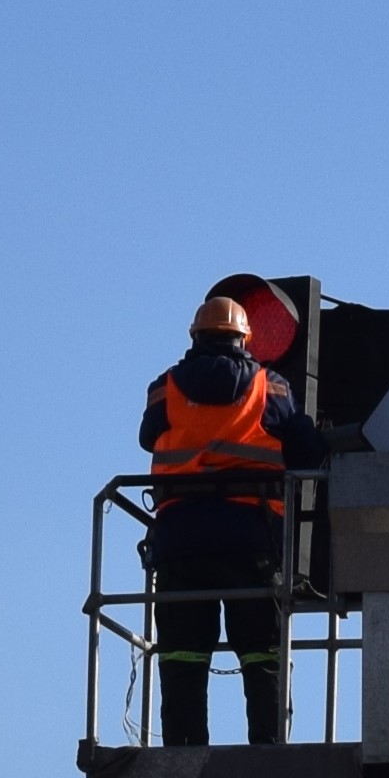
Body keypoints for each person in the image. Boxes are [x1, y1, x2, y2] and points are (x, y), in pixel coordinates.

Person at [139, 287, 319, 749]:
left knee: (183, 652)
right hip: (252, 539)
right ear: (245, 340)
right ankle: (268, 748)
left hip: (181, 543)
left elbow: (147, 437)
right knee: (263, 652)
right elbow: (303, 447)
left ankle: (182, 749)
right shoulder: (271, 387)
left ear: (195, 336)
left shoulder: (165, 388)